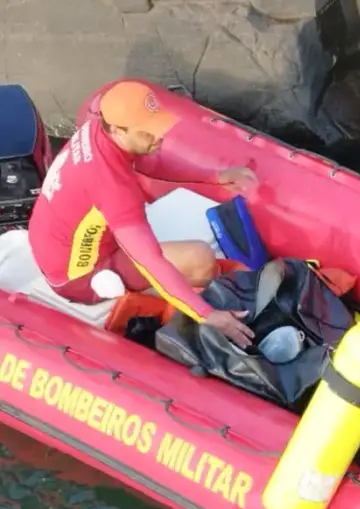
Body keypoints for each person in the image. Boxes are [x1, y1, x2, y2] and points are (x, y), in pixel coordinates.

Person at [27, 81, 257, 347]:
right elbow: (150, 260)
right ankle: (158, 300)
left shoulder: (96, 129)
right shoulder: (113, 189)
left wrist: (215, 177)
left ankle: (169, 293)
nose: (158, 137)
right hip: (78, 276)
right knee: (201, 261)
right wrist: (207, 314)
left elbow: (148, 162)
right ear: (117, 130)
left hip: (51, 240)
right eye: (148, 133)